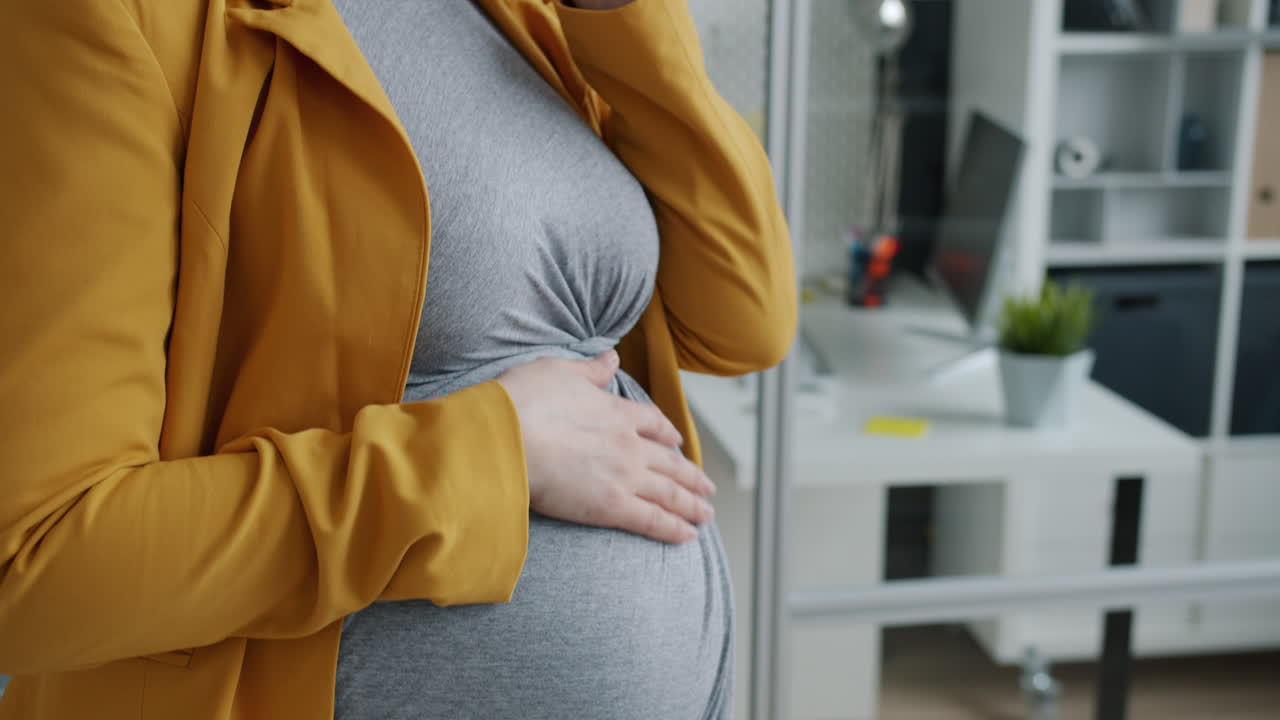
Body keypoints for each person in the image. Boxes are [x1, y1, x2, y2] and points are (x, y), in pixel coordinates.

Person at [0, 0, 795, 718]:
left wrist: (620, 14)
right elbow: (33, 567)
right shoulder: (106, 17)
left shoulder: (521, 12)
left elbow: (743, 321)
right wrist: (493, 453)